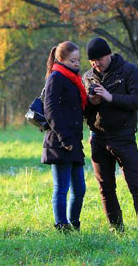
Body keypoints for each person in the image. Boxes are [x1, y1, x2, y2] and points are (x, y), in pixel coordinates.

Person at [82, 37, 138, 235]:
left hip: (123, 136)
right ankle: (117, 231)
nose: (97, 63)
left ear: (109, 54)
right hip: (97, 138)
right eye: (92, 61)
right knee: (105, 187)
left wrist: (110, 97)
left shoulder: (129, 71)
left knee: (136, 183)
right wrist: (91, 102)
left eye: (100, 59)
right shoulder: (87, 77)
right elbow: (82, 111)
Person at [41, 41, 87, 232]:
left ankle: (73, 224)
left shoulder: (73, 79)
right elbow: (50, 109)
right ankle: (62, 226)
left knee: (80, 189)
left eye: (78, 60)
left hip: (74, 141)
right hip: (60, 141)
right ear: (61, 59)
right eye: (73, 60)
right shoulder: (56, 77)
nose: (77, 64)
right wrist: (64, 138)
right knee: (61, 188)